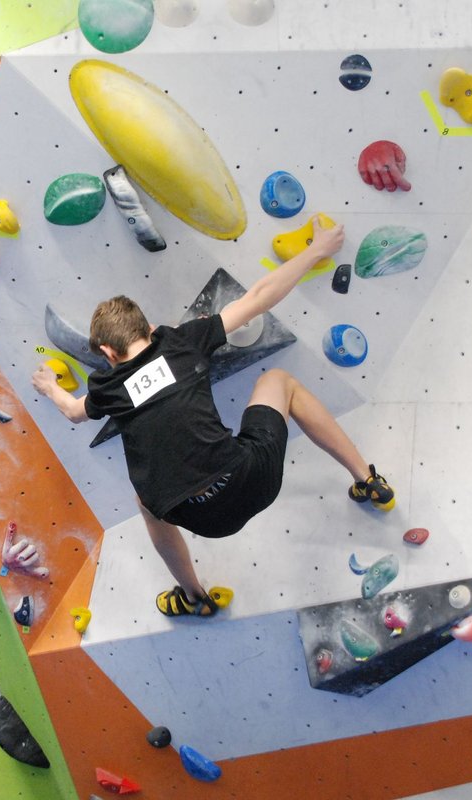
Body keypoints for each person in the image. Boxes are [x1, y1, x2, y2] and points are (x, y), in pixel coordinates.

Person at [31, 216, 394, 618]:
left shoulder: (106, 387)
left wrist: (49, 386)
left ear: (107, 353)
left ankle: (193, 597)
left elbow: (73, 412)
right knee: (279, 382)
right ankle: (368, 480)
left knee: (147, 503)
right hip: (254, 480)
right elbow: (260, 296)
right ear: (149, 329)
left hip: (202, 518)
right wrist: (317, 250)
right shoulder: (181, 341)